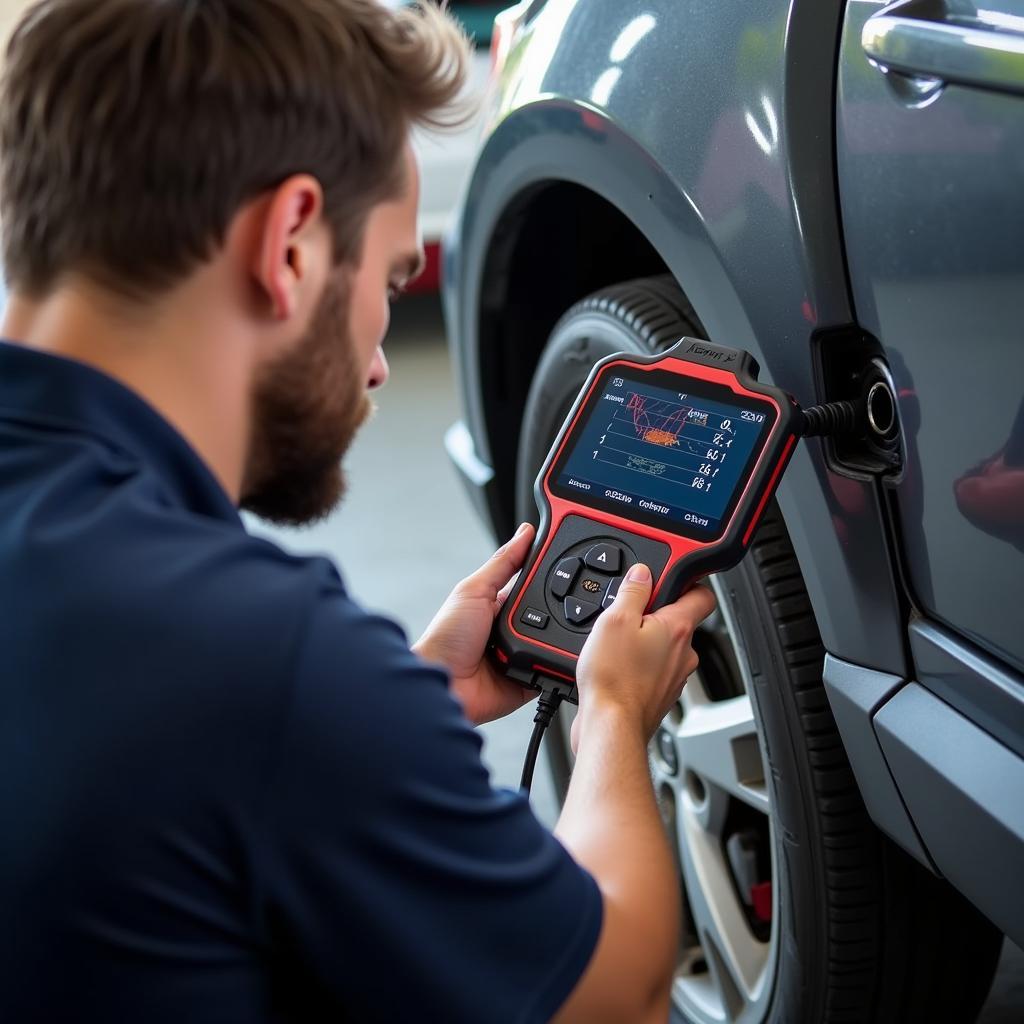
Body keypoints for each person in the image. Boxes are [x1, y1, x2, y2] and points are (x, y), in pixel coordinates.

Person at [0, 2, 716, 1021]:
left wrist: (399, 706)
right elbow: (618, 991)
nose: (379, 360)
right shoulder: (255, 656)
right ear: (290, 243)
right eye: (388, 277)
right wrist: (611, 713)